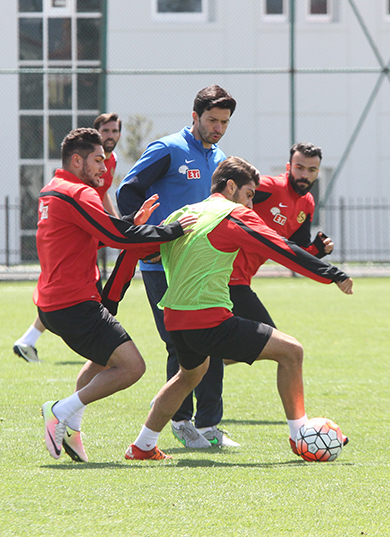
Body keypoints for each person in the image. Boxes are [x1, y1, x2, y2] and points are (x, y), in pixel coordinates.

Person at [107, 157, 354, 461]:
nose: (252, 205)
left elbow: (140, 250)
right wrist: (331, 273)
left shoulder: (185, 212)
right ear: (232, 187)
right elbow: (280, 247)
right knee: (292, 352)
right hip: (208, 319)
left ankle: (143, 445)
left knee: (189, 376)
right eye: (250, 195)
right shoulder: (232, 215)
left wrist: (112, 295)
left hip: (175, 318)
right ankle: (300, 435)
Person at [33, 127, 195, 463]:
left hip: (54, 304)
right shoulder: (79, 193)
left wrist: (134, 223)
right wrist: (172, 230)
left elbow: (103, 233)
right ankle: (60, 410)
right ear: (76, 160)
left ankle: (71, 425)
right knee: (132, 367)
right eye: (97, 160)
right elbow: (118, 237)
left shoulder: (52, 189)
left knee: (101, 362)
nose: (104, 168)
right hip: (74, 304)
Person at [115, 84, 237, 448]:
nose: (218, 127)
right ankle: (182, 422)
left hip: (206, 268)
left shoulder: (220, 159)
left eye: (225, 121)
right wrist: (145, 236)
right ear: (195, 117)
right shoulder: (168, 149)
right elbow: (128, 190)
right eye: (212, 120)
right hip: (162, 266)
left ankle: (210, 426)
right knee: (179, 344)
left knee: (214, 340)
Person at [13, 113, 123, 363]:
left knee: (74, 289)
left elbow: (104, 192)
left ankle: (30, 339)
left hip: (90, 224)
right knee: (71, 291)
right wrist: (119, 230)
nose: (111, 136)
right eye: (106, 131)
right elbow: (92, 197)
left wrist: (114, 222)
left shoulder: (110, 161)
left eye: (115, 131)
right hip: (80, 223)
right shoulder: (71, 186)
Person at [229, 142, 334, 327]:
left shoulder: (307, 203)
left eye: (311, 170)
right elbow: (225, 194)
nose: (304, 175)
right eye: (299, 168)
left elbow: (296, 252)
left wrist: (319, 250)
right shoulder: (271, 187)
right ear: (288, 167)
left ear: (318, 172)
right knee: (276, 345)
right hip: (225, 276)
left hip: (242, 279)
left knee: (240, 344)